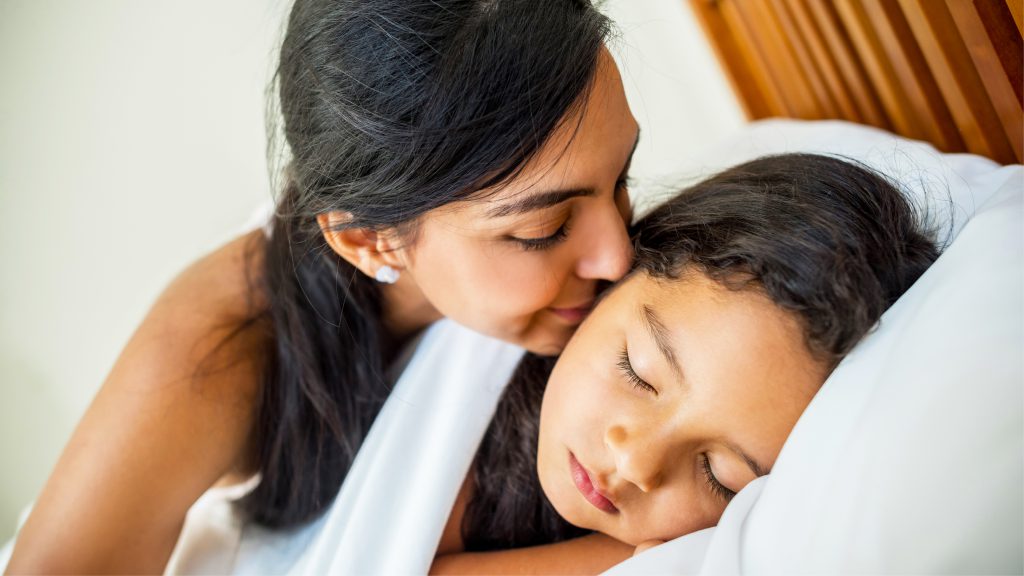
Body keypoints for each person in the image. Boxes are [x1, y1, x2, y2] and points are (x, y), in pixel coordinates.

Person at [5, 1, 639, 573]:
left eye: (622, 177)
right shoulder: (213, 355)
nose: (618, 255)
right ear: (369, 241)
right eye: (545, 229)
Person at [431, 153, 939, 573]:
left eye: (719, 476)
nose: (635, 463)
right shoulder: (454, 376)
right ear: (619, 278)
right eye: (638, 371)